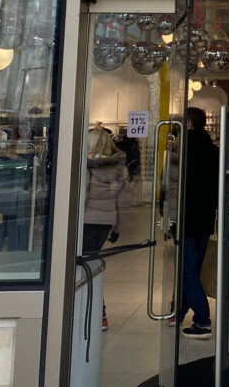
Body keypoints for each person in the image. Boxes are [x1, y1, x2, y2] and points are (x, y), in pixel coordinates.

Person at [177, 107, 220, 339]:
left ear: (189, 125)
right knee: (191, 270)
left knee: (187, 272)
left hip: (186, 219)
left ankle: (202, 320)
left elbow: (172, 187)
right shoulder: (214, 151)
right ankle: (179, 311)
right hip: (204, 219)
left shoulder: (182, 150)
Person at [83, 127, 129, 331]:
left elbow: (81, 196)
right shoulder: (119, 168)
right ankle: (97, 313)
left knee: (84, 267)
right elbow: (123, 201)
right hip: (105, 222)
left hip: (85, 221)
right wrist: (118, 227)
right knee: (93, 264)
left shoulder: (86, 167)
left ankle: (96, 312)